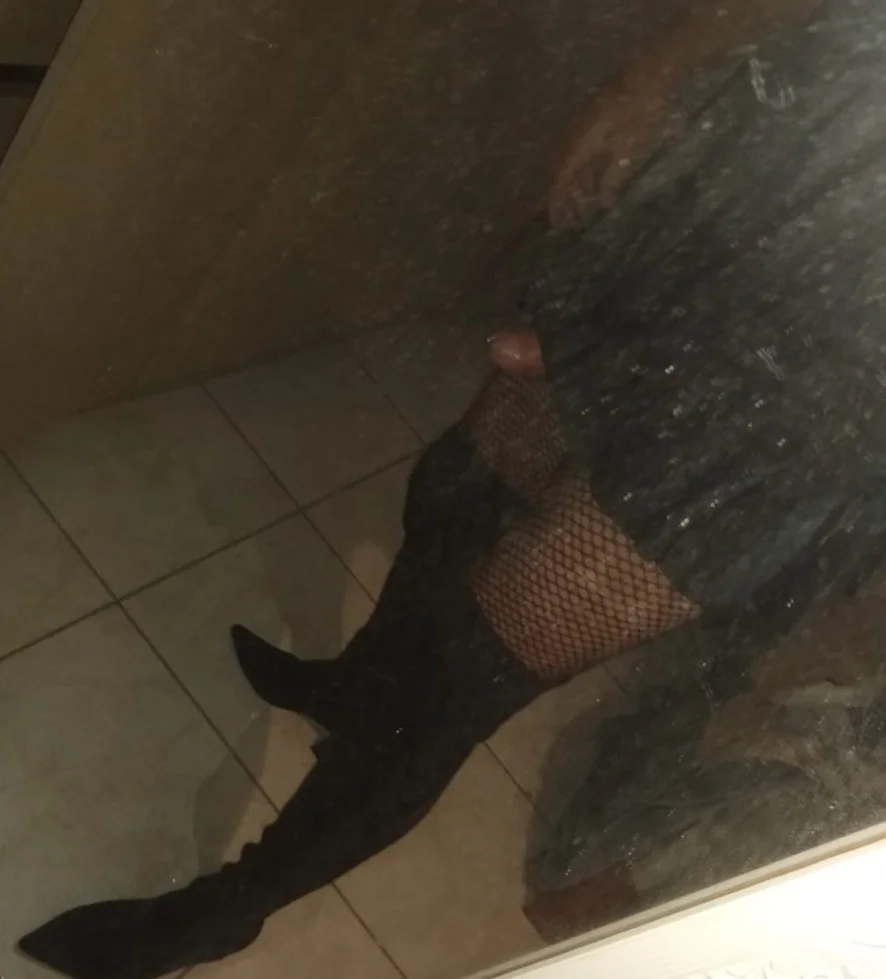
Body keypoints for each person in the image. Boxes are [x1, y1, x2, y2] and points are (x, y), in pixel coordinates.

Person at [20, 1, 886, 976]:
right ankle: (356, 684)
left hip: (797, 412)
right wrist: (650, 75)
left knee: (450, 687)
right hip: (721, 237)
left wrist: (631, 351)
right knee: (455, 489)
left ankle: (221, 911)